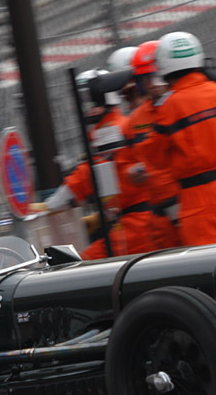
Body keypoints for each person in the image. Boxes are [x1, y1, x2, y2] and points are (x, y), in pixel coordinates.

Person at [137, 31, 216, 246]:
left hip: (198, 197)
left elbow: (154, 156)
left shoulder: (171, 104)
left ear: (163, 65)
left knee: (211, 268)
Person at [41, 69, 157, 259]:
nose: (88, 108)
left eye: (92, 101)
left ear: (107, 99)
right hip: (130, 219)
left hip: (136, 224)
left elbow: (87, 174)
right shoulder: (115, 125)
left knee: (81, 266)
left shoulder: (111, 130)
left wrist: (51, 205)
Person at [115, 40, 180, 250]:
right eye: (145, 78)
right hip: (158, 213)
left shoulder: (181, 104)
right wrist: (131, 173)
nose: (151, 83)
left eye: (154, 75)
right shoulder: (135, 120)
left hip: (189, 203)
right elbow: (125, 163)